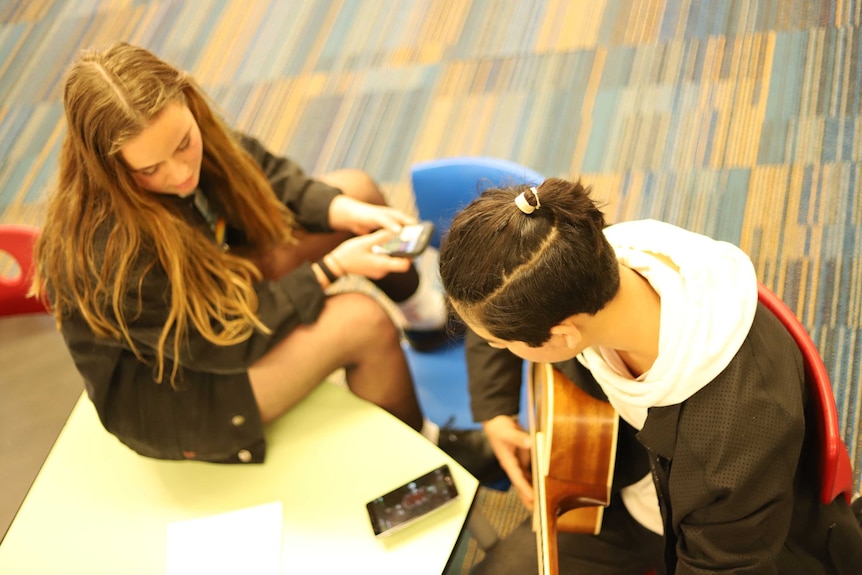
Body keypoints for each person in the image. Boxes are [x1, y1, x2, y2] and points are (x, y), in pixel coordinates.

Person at [31, 42, 501, 482]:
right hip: (184, 387)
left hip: (216, 283)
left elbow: (268, 175)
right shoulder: (108, 253)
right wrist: (331, 268)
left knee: (354, 192)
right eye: (149, 169)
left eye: (183, 144)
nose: (180, 173)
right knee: (361, 322)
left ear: (188, 105)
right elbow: (225, 339)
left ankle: (425, 323)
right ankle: (432, 448)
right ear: (107, 167)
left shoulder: (178, 129)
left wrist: (342, 211)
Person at [438, 178, 862, 574]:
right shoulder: (573, 251)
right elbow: (495, 300)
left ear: (564, 335)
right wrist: (496, 411)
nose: (495, 347)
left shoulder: (734, 441)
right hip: (620, 462)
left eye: (500, 344)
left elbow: (720, 565)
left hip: (690, 526)